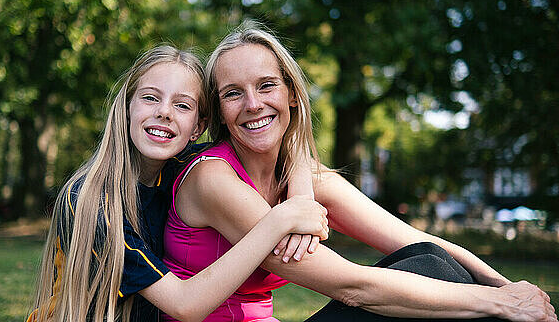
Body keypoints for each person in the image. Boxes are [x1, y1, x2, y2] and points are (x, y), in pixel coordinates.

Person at [162, 22, 557, 322]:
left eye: (266, 86)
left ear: (292, 96)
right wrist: (499, 303)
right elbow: (353, 287)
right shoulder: (212, 178)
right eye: (233, 93)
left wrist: (515, 290)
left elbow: (417, 240)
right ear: (218, 110)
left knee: (428, 257)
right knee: (434, 274)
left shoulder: (305, 177)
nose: (253, 104)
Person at [27, 46, 329, 322]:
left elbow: (285, 147)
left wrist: (301, 198)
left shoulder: (185, 166)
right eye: (150, 97)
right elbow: (184, 305)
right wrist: (282, 218)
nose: (164, 112)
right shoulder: (89, 200)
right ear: (126, 108)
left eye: (183, 106)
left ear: (197, 127)